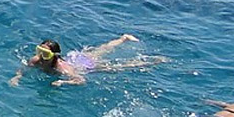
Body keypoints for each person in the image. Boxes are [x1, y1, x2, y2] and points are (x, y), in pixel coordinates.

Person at [9, 34, 165, 87]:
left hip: (81, 65)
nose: (41, 56)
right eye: (40, 51)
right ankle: (123, 38)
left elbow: (80, 80)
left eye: (46, 53)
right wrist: (17, 78)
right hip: (73, 58)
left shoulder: (62, 69)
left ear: (54, 55)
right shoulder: (36, 60)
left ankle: (150, 61)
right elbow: (23, 69)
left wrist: (64, 82)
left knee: (114, 67)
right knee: (99, 50)